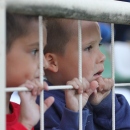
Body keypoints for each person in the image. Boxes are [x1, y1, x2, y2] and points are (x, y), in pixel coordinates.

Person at [35, 19, 130, 130]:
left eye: (99, 45)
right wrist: (73, 113)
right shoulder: (44, 103)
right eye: (88, 48)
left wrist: (106, 104)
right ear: (52, 62)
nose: (102, 57)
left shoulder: (98, 94)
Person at [6, 13, 54, 130]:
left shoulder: (23, 112)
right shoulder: (25, 118)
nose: (45, 64)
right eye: (34, 51)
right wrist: (24, 124)